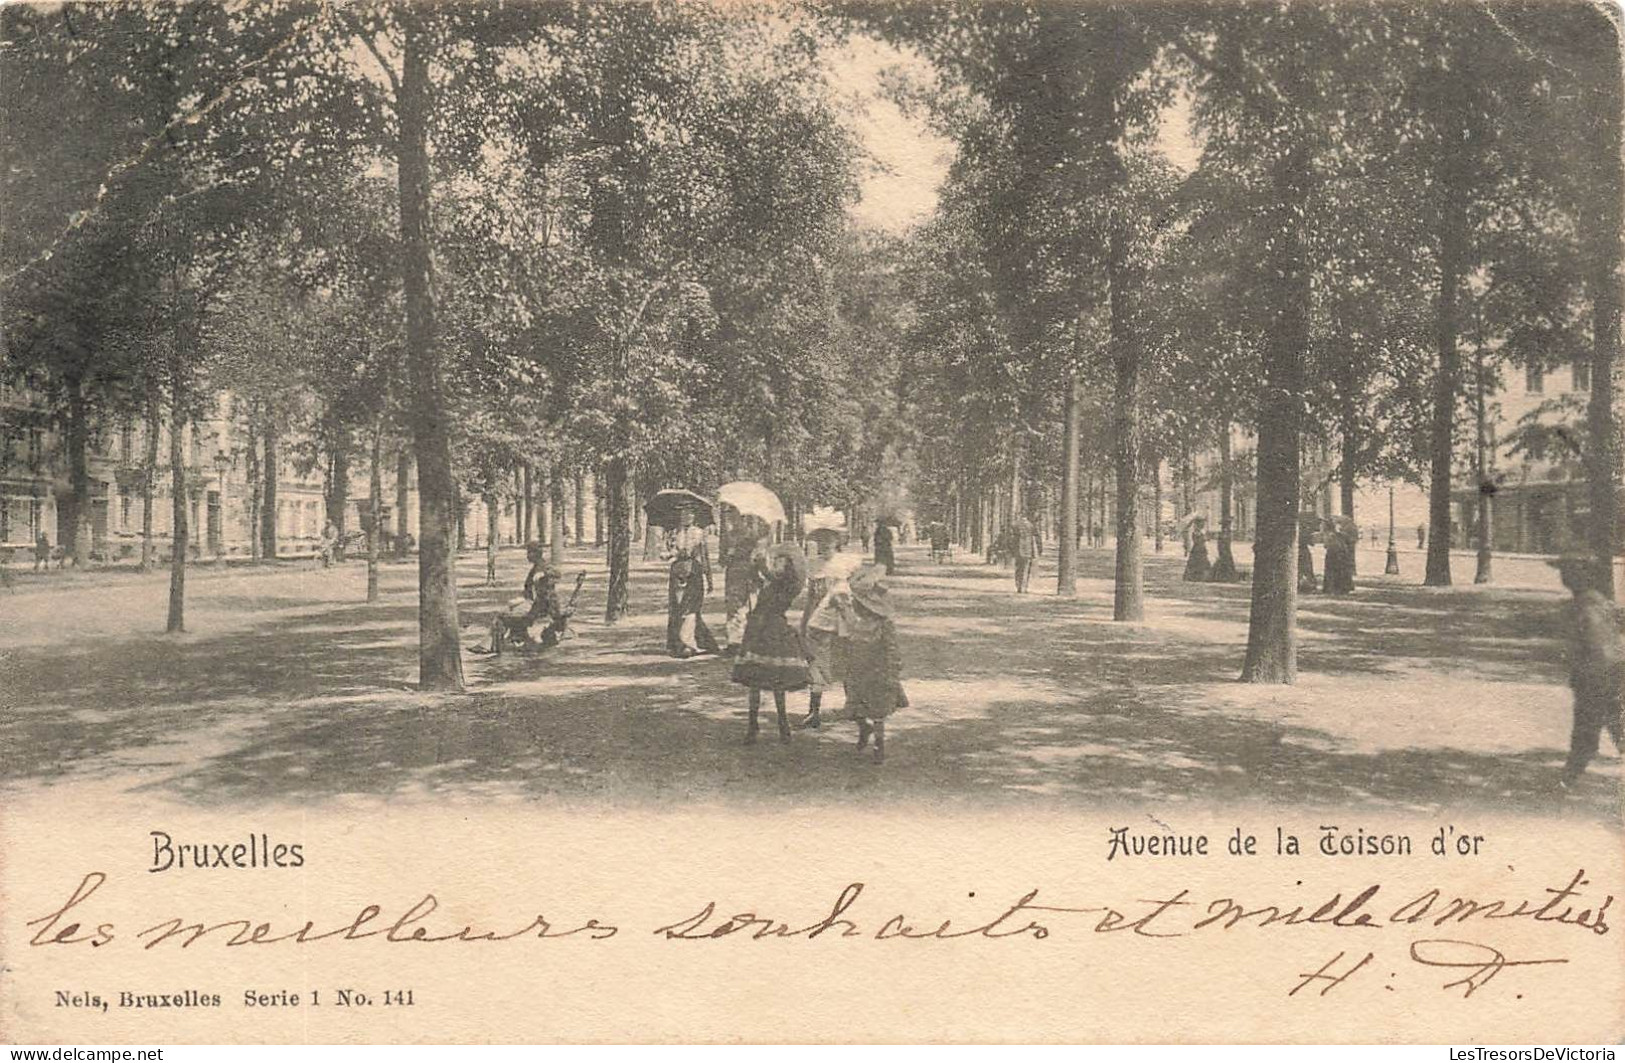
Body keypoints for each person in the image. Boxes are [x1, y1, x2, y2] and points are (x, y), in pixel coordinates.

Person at [1553, 558, 1623, 788]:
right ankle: (1568, 776)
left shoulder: (1587, 606)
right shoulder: (1596, 603)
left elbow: (1600, 647)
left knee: (1587, 729)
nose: (1564, 577)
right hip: (1608, 673)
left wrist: (1586, 674)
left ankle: (1567, 779)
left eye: (1569, 571)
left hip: (1598, 676)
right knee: (1615, 724)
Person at [732, 543, 810, 743]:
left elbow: (773, 584)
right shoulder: (772, 583)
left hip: (773, 633)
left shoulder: (788, 586)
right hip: (758, 630)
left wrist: (762, 567)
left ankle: (782, 724)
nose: (776, 564)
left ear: (789, 565)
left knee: (776, 682)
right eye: (775, 561)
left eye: (780, 561)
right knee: (754, 682)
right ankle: (753, 724)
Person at [839, 564, 908, 764]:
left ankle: (879, 745)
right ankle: (863, 728)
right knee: (855, 705)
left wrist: (893, 668)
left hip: (878, 670)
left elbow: (892, 648)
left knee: (878, 709)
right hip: (857, 668)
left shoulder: (884, 625)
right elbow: (847, 638)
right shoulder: (856, 621)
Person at [797, 531, 846, 730]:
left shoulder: (844, 564)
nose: (825, 545)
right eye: (821, 541)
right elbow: (810, 596)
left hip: (839, 619)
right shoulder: (813, 565)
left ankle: (854, 706)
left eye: (829, 540)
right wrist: (805, 620)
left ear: (837, 542)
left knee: (844, 663)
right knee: (816, 663)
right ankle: (813, 711)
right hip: (817, 621)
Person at [664, 507, 719, 658]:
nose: (686, 517)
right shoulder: (675, 532)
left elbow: (704, 556)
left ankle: (688, 644)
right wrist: (669, 554)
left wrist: (709, 578)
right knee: (677, 607)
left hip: (693, 571)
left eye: (689, 514)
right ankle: (681, 642)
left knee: (690, 607)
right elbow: (671, 550)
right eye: (683, 514)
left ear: (694, 516)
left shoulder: (699, 533)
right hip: (677, 571)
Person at [491, 560, 572, 655]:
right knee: (509, 614)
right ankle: (508, 641)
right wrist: (566, 612)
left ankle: (496, 647)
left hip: (533, 620)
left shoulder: (544, 595)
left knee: (500, 617)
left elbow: (541, 614)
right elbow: (554, 613)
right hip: (538, 618)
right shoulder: (550, 595)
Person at [721, 511, 765, 656]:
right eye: (731, 518)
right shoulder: (729, 536)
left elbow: (758, 556)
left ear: (743, 518)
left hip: (749, 574)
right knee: (733, 607)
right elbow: (722, 560)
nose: (733, 521)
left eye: (736, 517)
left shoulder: (752, 535)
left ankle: (750, 641)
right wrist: (727, 556)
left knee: (749, 607)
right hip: (733, 574)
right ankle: (734, 642)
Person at [1013, 513, 1041, 593]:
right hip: (1028, 550)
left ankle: (1018, 586)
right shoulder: (1031, 526)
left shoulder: (1015, 525)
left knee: (1018, 568)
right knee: (1026, 569)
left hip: (1018, 550)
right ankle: (1024, 587)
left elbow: (1012, 539)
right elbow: (1036, 538)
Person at [1183, 516, 1211, 582]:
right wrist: (1204, 538)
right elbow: (1197, 540)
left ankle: (1201, 577)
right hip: (1198, 549)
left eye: (1203, 524)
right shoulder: (1196, 531)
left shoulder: (1201, 531)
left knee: (1203, 562)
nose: (1203, 525)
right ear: (1198, 524)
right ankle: (1195, 577)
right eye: (1202, 524)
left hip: (1201, 548)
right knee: (1197, 562)